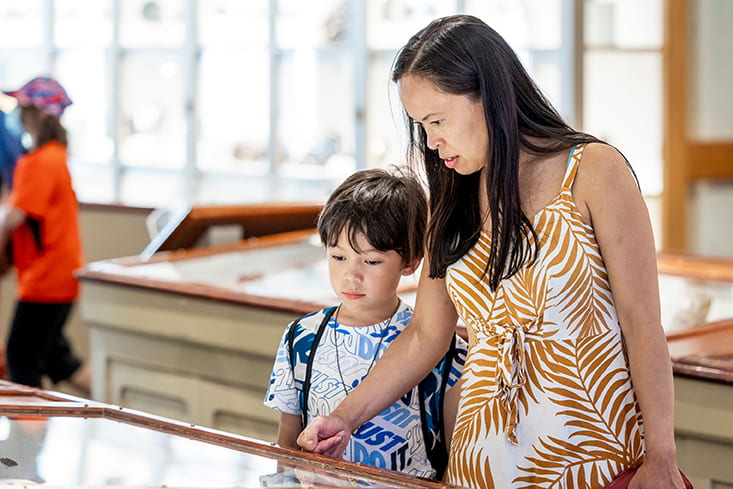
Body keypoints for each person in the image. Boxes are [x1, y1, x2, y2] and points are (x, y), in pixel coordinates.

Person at [297, 15, 687, 489]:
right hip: (481, 467)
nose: (430, 140)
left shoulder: (593, 170)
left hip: (595, 463)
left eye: (437, 120)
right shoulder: (453, 195)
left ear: (489, 95)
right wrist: (342, 418)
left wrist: (662, 456)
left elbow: (642, 325)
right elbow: (425, 335)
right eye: (421, 126)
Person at [264, 168, 468, 479]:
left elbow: (456, 462)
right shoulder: (301, 338)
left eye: (371, 261)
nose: (351, 275)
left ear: (412, 260)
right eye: (338, 257)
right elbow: (287, 446)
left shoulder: (446, 348)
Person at [0, 76, 90, 395]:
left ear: (36, 114)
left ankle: (30, 442)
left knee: (21, 361)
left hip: (44, 280)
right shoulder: (56, 156)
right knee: (59, 361)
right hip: (63, 276)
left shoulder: (38, 163)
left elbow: (12, 218)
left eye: (21, 108)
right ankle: (120, 405)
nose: (15, 116)